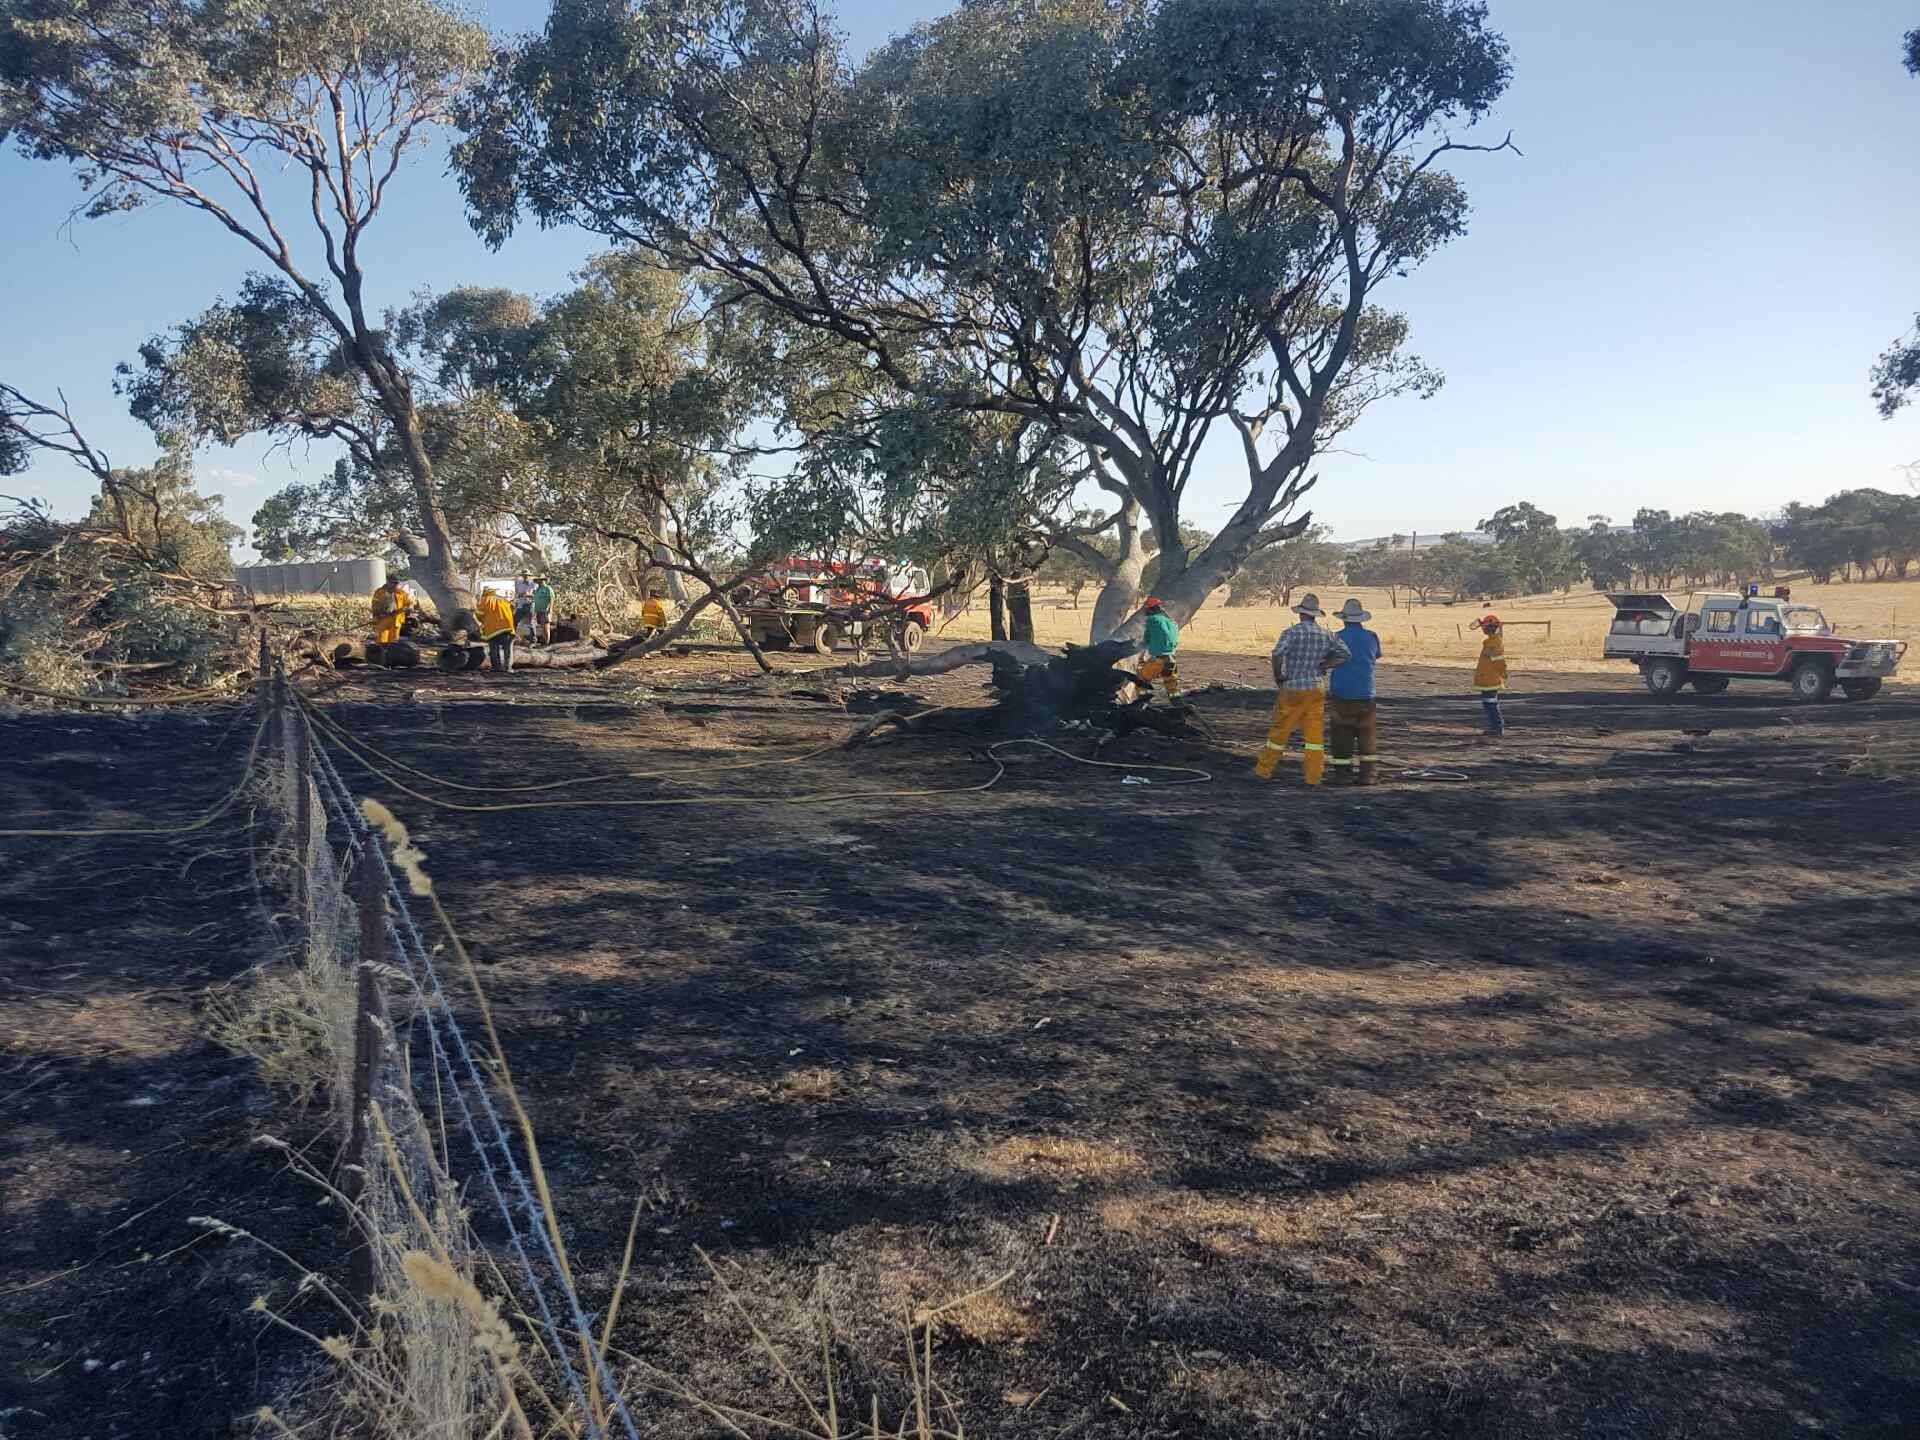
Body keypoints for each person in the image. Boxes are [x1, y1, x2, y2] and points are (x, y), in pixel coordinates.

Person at [1255, 593, 1350, 785]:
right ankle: (1313, 777)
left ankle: (1264, 770)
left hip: (1293, 687)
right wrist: (1324, 666)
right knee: (1314, 737)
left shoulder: (1291, 633)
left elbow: (1277, 654)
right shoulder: (1326, 634)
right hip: (1316, 688)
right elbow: (1345, 655)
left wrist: (1278, 676)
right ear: (1315, 615)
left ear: (1300, 614)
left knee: (1279, 732)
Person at [1326, 598, 1383, 786]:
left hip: (1342, 692)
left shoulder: (1335, 637)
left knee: (1342, 735)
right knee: (1367, 735)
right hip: (1366, 693)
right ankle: (1368, 775)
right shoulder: (1372, 636)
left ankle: (1343, 775)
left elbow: (1328, 659)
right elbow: (1375, 656)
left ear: (1344, 618)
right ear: (1361, 619)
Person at [1135, 596, 1181, 700]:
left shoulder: (1152, 619)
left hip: (1158, 659)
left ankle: (1142, 702)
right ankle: (1177, 702)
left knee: (1140, 680)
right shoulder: (1171, 622)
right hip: (1171, 659)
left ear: (1151, 609)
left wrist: (1138, 649)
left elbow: (1147, 639)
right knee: (1171, 684)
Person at [1470, 614, 1507, 736]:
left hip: (1490, 680)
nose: (1483, 629)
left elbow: (1498, 661)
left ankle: (1497, 728)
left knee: (1491, 704)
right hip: (1487, 679)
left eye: (1485, 627)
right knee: (1488, 703)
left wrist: (1503, 673)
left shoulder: (1495, 642)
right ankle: (1495, 727)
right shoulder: (1491, 641)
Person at [476, 587, 518, 674]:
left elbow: (479, 614)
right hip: (508, 627)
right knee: (508, 649)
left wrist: (482, 621)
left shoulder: (485, 600)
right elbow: (513, 609)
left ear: (485, 593)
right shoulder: (504, 600)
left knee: (494, 648)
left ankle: (496, 667)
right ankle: (508, 667)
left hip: (493, 629)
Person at [370, 575, 409, 646]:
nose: (395, 585)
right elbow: (374, 605)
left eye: (397, 583)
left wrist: (407, 608)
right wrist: (377, 615)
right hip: (382, 619)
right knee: (381, 641)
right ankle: (381, 655)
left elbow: (408, 604)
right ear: (388, 582)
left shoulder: (402, 593)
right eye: (393, 583)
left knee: (394, 643)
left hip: (396, 620)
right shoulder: (380, 591)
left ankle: (392, 655)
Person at [530, 575, 555, 646]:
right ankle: (544, 641)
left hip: (545, 610)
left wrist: (550, 609)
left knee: (546, 626)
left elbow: (552, 599)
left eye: (538, 580)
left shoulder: (547, 588)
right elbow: (535, 600)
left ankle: (547, 643)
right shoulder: (537, 589)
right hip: (538, 610)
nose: (537, 582)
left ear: (542, 580)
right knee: (542, 626)